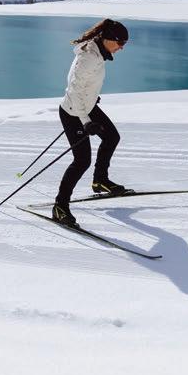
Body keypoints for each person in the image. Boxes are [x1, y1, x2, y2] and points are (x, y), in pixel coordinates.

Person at [53, 18, 130, 228]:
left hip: (86, 106)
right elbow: (74, 90)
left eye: (124, 43)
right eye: (120, 42)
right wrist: (86, 122)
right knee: (81, 161)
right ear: (108, 39)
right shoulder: (88, 57)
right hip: (73, 112)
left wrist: (92, 96)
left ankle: (100, 181)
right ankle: (60, 206)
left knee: (111, 137)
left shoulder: (97, 52)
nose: (122, 47)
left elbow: (84, 85)